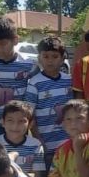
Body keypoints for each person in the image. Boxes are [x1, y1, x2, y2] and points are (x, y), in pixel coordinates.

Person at [25, 36, 72, 169]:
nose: (50, 61)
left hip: (68, 142)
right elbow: (30, 114)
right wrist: (38, 138)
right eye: (46, 56)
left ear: (63, 59)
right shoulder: (34, 83)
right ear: (39, 58)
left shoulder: (69, 81)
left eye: (54, 56)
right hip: (46, 142)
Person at [0, 101, 46, 177]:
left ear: (30, 124)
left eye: (21, 121)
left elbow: (37, 176)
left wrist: (13, 176)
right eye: (10, 120)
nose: (15, 126)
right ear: (2, 122)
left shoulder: (36, 145)